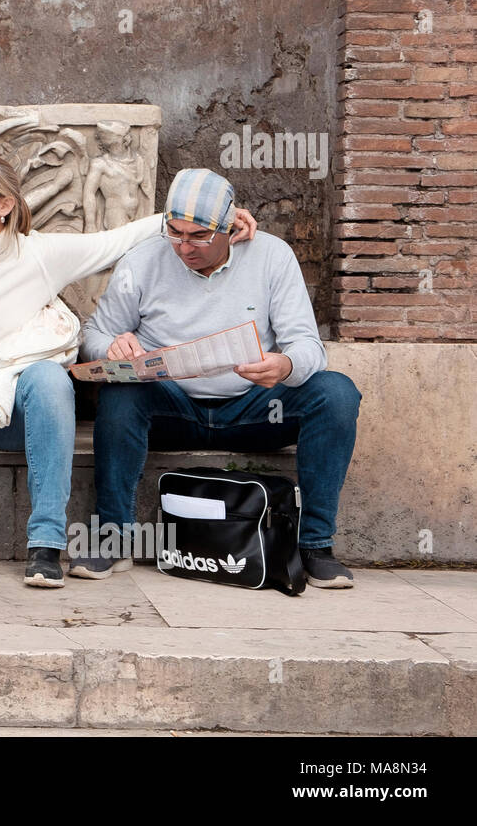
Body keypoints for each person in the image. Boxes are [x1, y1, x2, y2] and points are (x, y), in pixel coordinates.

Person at [0, 158, 257, 588]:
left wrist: (211, 217)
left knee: (48, 376)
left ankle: (45, 545)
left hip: (10, 416)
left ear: (5, 204)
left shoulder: (40, 254)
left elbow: (115, 241)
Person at [73, 168, 360, 589]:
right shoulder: (143, 259)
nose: (184, 247)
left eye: (198, 237)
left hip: (255, 408)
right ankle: (114, 538)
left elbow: (308, 345)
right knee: (122, 398)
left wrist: (285, 365)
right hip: (173, 410)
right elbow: (92, 336)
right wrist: (112, 348)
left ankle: (315, 546)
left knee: (337, 393)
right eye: (175, 233)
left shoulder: (271, 256)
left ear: (230, 226)